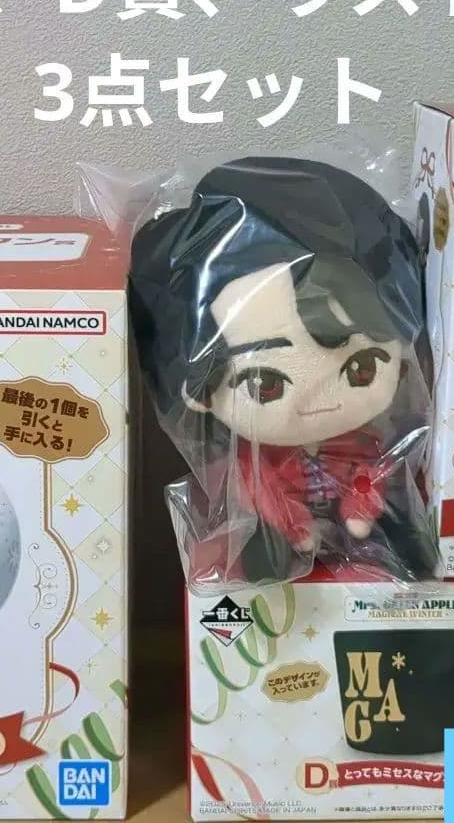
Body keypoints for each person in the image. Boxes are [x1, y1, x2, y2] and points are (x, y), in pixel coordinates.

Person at [130, 156, 435, 584]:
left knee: (400, 538)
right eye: (266, 384)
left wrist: (360, 513)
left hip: (360, 543)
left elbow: (370, 478)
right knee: (262, 561)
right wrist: (295, 527)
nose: (320, 400)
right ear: (198, 391)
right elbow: (261, 494)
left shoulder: (366, 444)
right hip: (282, 538)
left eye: (361, 368)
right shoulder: (251, 462)